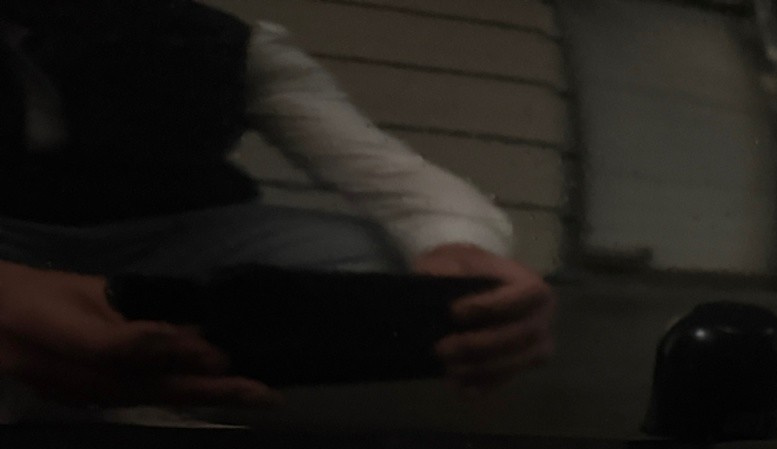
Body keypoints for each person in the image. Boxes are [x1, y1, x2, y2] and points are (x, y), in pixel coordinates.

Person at [0, 0, 552, 404]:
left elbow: (385, 169)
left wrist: (459, 250)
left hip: (180, 235)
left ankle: (215, 362)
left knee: (374, 256)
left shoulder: (227, 44)